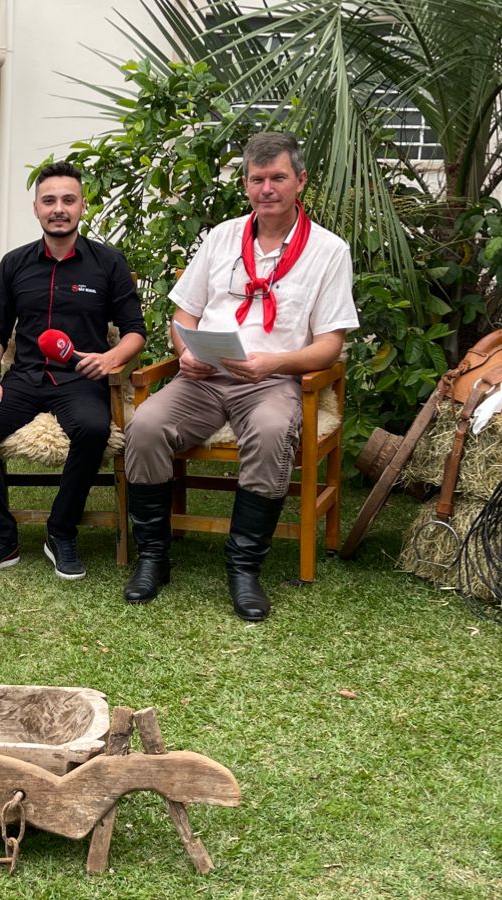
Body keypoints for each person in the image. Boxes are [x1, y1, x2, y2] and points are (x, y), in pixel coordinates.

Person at [120, 131, 359, 619]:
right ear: (246, 184)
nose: (266, 189)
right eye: (256, 179)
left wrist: (273, 363)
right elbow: (184, 314)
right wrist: (185, 350)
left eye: (278, 178)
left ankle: (244, 568)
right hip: (203, 377)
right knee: (144, 426)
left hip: (272, 380)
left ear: (300, 181)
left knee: (272, 432)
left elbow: (330, 345)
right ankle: (153, 557)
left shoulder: (329, 250)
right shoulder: (222, 237)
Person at [0, 161, 147, 581]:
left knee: (93, 430)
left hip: (81, 380)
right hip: (24, 378)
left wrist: (110, 359)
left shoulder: (108, 263)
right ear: (36, 208)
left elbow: (135, 331)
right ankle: (2, 536)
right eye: (49, 201)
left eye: (68, 200)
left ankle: (61, 530)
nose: (58, 208)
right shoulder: (14, 263)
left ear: (82, 206)